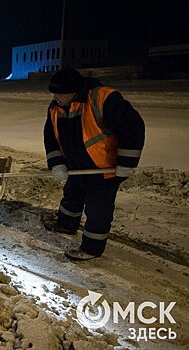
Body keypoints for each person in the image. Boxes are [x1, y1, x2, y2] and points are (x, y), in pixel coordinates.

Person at [43, 68, 145, 261]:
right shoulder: (55, 107)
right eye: (54, 93)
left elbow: (133, 128)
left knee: (98, 210)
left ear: (75, 91)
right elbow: (50, 137)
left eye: (61, 94)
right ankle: (66, 224)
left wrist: (126, 162)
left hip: (104, 170)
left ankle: (91, 248)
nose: (56, 97)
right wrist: (57, 163)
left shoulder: (103, 99)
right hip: (77, 168)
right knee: (71, 197)